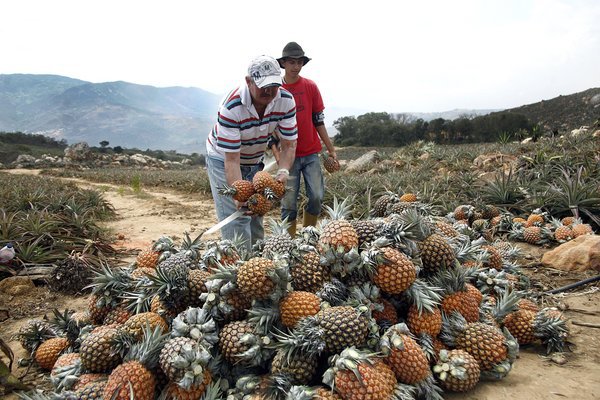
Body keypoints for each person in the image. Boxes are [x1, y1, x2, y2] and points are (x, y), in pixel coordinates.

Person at [205, 55, 297, 251]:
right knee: (237, 218)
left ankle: (258, 266)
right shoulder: (232, 107)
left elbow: (289, 145)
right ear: (248, 81)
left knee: (255, 215)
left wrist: (283, 173)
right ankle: (237, 268)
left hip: (254, 158)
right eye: (263, 85)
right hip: (223, 159)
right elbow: (231, 161)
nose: (269, 91)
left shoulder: (286, 101)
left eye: (273, 85)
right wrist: (239, 194)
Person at [275, 42, 337, 236]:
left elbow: (318, 120)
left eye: (299, 62)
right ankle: (289, 242)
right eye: (291, 62)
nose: (295, 66)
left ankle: (308, 233)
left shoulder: (310, 87)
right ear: (283, 63)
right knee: (288, 203)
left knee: (317, 196)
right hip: (288, 157)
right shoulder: (276, 90)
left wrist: (330, 148)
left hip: (310, 153)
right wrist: (277, 153)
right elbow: (270, 126)